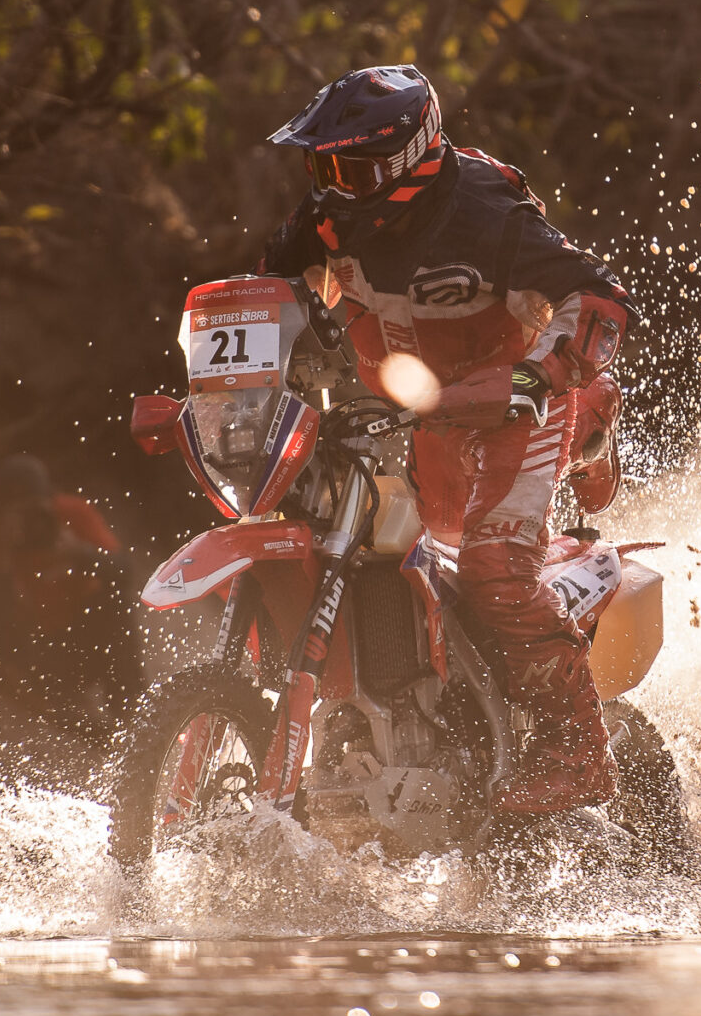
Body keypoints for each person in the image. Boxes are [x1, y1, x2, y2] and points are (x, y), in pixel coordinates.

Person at [258, 64, 632, 815]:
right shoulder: (327, 216)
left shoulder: (488, 212)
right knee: (388, 553)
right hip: (421, 411)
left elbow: (601, 298)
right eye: (318, 165)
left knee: (493, 566)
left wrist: (545, 374)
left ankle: (578, 747)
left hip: (515, 403)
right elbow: (266, 296)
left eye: (346, 167)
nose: (327, 183)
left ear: (406, 162)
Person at [0, 454, 138, 728]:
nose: (31, 523)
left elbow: (125, 572)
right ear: (0, 514)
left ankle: (132, 711)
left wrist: (81, 553)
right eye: (19, 513)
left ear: (50, 501)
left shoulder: (73, 516)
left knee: (113, 602)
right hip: (37, 655)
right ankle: (43, 704)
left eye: (35, 510)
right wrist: (4, 562)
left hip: (86, 640)